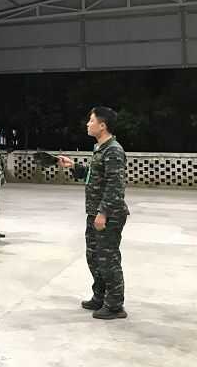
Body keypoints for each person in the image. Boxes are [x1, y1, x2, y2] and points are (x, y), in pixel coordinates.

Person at [57, 106, 130, 320]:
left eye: (91, 120)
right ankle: (100, 296)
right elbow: (94, 175)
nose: (88, 124)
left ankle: (115, 305)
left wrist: (103, 213)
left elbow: (115, 186)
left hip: (108, 214)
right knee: (94, 257)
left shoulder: (113, 150)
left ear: (102, 125)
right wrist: (74, 166)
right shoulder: (100, 148)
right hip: (95, 212)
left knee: (108, 259)